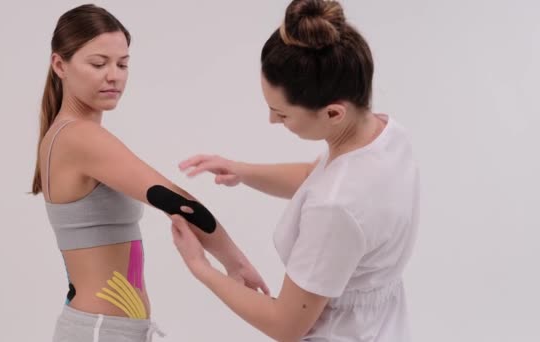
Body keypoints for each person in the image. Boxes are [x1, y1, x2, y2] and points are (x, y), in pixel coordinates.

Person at [170, 0, 420, 341]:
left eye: (282, 113)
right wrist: (242, 171)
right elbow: (314, 176)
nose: (272, 120)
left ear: (334, 113)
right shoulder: (388, 135)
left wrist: (203, 268)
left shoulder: (334, 208)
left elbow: (285, 325)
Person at [30, 4, 268, 342]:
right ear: (60, 65)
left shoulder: (68, 133)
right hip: (99, 331)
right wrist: (236, 264)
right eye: (98, 64)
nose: (114, 75)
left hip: (105, 328)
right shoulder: (79, 136)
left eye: (123, 64)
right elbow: (178, 201)